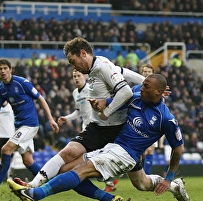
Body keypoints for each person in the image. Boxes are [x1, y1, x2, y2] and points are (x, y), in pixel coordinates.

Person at [8, 74, 190, 201]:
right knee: (142, 184)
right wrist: (101, 103)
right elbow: (114, 99)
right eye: (142, 85)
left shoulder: (166, 119)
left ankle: (35, 194)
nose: (141, 88)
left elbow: (178, 149)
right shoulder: (135, 95)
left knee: (82, 169)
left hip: (126, 155)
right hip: (114, 145)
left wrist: (168, 176)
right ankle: (175, 188)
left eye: (147, 87)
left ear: (158, 92)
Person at [15, 37, 142, 192]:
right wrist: (146, 80)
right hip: (97, 128)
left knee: (142, 184)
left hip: (118, 131)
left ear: (83, 53)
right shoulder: (96, 68)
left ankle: (172, 185)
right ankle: (32, 185)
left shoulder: (101, 66)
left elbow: (126, 91)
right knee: (68, 154)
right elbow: (123, 71)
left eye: (73, 61)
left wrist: (106, 111)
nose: (73, 67)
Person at [0, 58, 59, 197]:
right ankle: (53, 185)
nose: (3, 71)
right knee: (28, 161)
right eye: (0, 69)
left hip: (30, 124)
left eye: (5, 68)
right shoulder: (0, 89)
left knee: (5, 150)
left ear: (10, 70)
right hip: (20, 126)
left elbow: (40, 98)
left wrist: (51, 119)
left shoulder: (22, 83)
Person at [57, 69, 119, 192]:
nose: (76, 78)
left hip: (96, 127)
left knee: (93, 155)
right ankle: (107, 180)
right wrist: (67, 118)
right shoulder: (75, 93)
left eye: (78, 76)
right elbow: (79, 111)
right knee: (85, 156)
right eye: (74, 76)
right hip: (85, 127)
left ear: (85, 76)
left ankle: (109, 178)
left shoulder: (92, 89)